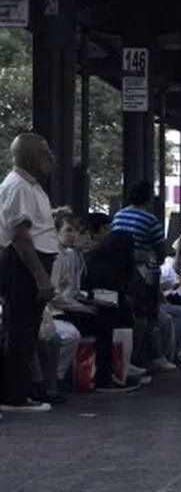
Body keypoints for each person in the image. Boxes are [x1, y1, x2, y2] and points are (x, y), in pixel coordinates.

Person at [0, 133, 57, 413]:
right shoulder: (19, 186)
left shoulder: (30, 186)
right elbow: (21, 236)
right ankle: (13, 396)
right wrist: (40, 276)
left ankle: (20, 392)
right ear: (31, 156)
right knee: (20, 329)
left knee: (26, 330)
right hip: (23, 267)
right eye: (46, 152)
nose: (51, 157)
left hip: (31, 267)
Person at [50, 212, 137, 392]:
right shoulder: (59, 257)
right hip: (57, 311)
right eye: (69, 231)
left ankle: (110, 372)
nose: (75, 235)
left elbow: (73, 291)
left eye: (77, 231)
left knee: (109, 313)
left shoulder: (74, 257)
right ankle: (102, 377)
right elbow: (56, 295)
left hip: (69, 305)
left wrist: (91, 301)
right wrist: (83, 306)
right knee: (103, 322)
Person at [112, 180, 175, 373]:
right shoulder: (149, 219)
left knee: (133, 315)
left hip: (123, 272)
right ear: (148, 198)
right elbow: (162, 248)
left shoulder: (119, 216)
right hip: (146, 273)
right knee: (149, 316)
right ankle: (153, 357)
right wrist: (159, 257)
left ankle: (134, 358)